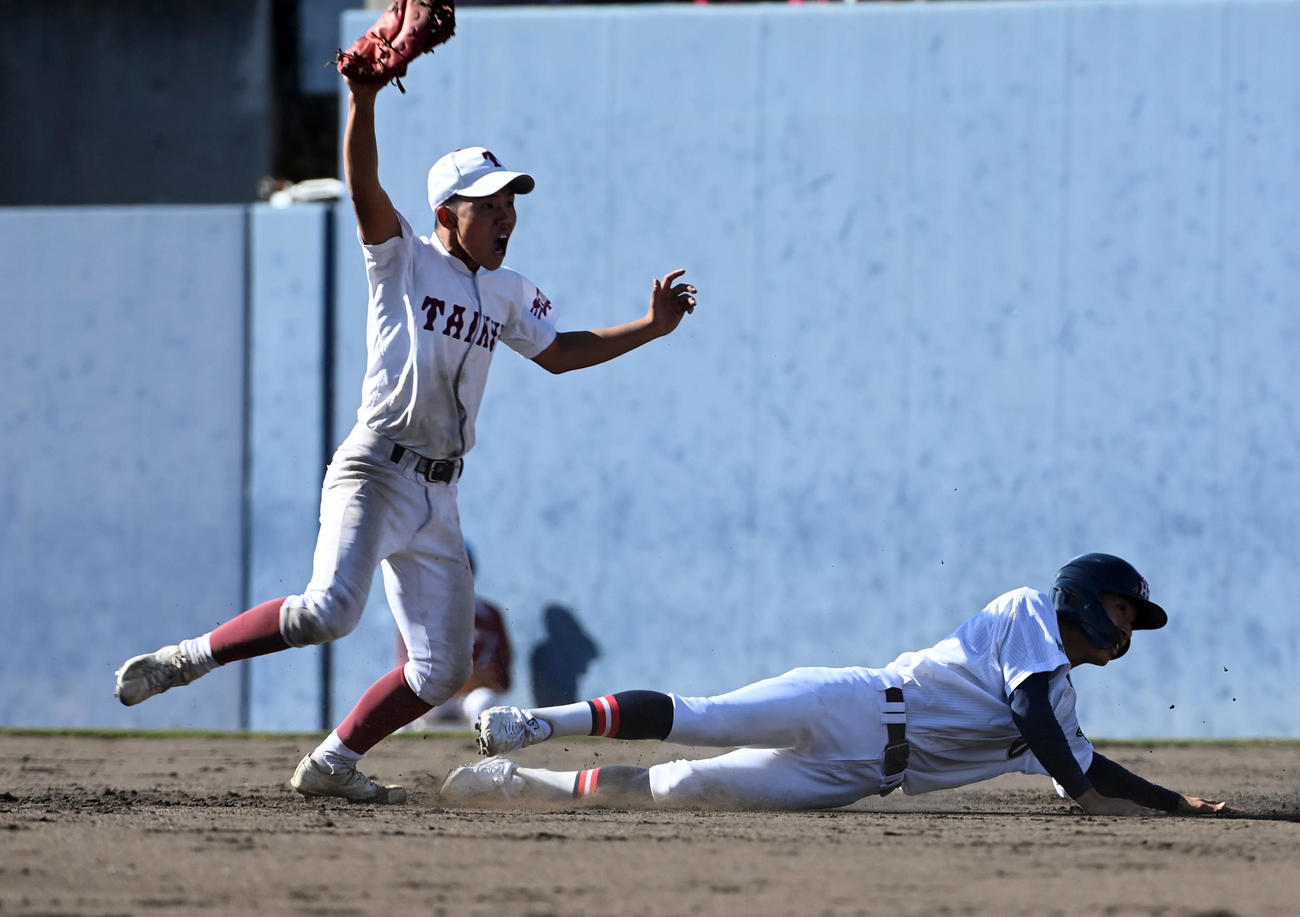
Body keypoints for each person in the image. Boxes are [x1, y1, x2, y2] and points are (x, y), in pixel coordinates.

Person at [112, 71, 699, 804]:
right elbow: (363, 187)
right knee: (327, 612)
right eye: (490, 205)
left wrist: (651, 327)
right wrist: (362, 100)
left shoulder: (508, 290)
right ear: (447, 213)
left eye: (511, 203)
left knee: (442, 670)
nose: (507, 216)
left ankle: (331, 763)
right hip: (374, 470)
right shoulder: (403, 259)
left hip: (440, 494)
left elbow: (560, 352)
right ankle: (188, 659)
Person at [441, 553, 1232, 817]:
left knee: (679, 787)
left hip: (855, 775)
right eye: (1122, 608)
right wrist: (1086, 792)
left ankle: (520, 782)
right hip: (855, 700)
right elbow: (1039, 723)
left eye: (1134, 619)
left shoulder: (1059, 707)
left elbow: (1083, 763)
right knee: (701, 717)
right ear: (1084, 597)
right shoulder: (1028, 613)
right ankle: (537, 722)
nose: (1127, 628)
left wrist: (1174, 802)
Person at [396, 546, 513, 730]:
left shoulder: (489, 614)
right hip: (432, 696)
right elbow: (406, 672)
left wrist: (466, 676)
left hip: (471, 696)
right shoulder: (419, 612)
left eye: (462, 567)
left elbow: (501, 679)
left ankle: (488, 748)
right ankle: (399, 751)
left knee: (485, 701)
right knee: (400, 705)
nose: (454, 575)